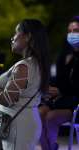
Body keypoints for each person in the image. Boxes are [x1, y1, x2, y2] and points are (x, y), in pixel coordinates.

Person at [0, 19, 50, 150]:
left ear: (27, 37)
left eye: (16, 33)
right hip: (18, 123)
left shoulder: (24, 66)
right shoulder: (35, 64)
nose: (12, 38)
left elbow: (8, 99)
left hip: (17, 127)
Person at [39, 16, 79, 150]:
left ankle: (50, 147)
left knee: (51, 117)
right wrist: (49, 88)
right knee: (37, 114)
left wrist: (61, 90)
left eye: (76, 30)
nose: (72, 34)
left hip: (75, 103)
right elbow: (58, 80)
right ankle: (50, 147)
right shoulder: (65, 55)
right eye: (70, 31)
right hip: (61, 100)